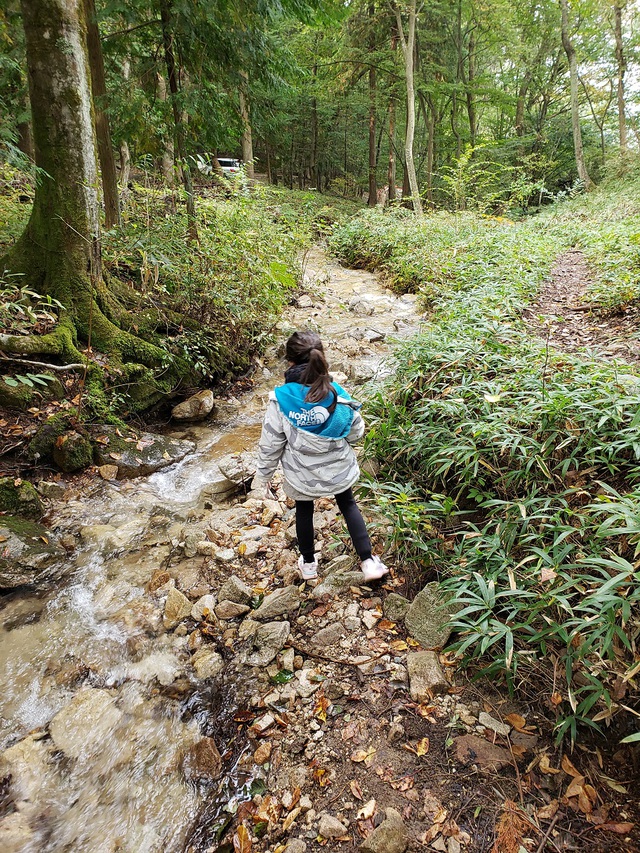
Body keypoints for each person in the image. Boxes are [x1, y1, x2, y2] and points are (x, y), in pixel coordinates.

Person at [253, 330, 388, 583]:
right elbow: (356, 432)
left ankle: (308, 565)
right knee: (348, 504)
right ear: (321, 358)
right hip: (338, 471)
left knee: (304, 510)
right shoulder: (337, 393)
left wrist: (263, 476)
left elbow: (271, 443)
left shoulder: (280, 399)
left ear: (289, 361)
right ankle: (368, 562)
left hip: (302, 475)